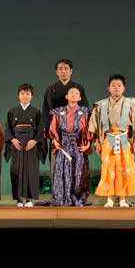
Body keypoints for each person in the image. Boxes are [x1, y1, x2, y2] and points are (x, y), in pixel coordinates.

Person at [88, 74, 135, 207]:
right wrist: (97, 141)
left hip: (125, 139)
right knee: (108, 168)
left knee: (125, 168)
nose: (116, 88)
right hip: (108, 139)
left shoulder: (131, 104)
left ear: (124, 88)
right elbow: (96, 126)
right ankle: (110, 199)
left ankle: (123, 198)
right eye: (113, 86)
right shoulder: (101, 105)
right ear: (109, 88)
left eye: (119, 86)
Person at [42, 59, 88, 192]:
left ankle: (76, 194)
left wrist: (83, 134)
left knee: (77, 165)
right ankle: (58, 194)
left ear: (71, 71)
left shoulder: (78, 88)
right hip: (57, 133)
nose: (63, 71)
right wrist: (53, 136)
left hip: (75, 134)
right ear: (57, 72)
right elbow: (47, 112)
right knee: (57, 164)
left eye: (66, 69)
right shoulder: (51, 90)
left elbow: (85, 111)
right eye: (60, 69)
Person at [4, 83, 47, 207]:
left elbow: (40, 129)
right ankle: (18, 199)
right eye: (22, 94)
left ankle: (29, 199)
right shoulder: (12, 111)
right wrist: (12, 140)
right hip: (17, 143)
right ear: (18, 95)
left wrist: (34, 141)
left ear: (31, 96)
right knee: (16, 170)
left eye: (27, 94)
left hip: (31, 143)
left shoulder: (36, 112)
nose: (25, 96)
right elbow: (8, 128)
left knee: (31, 170)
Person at [48, 86, 91, 206]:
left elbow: (88, 129)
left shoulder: (85, 112)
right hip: (63, 146)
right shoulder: (58, 111)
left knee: (78, 172)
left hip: (78, 146)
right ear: (66, 96)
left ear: (80, 97)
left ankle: (77, 196)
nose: (73, 94)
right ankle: (62, 196)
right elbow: (53, 128)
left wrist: (87, 143)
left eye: (76, 93)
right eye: (71, 93)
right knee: (62, 171)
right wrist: (55, 141)